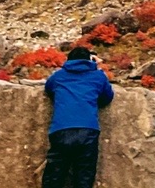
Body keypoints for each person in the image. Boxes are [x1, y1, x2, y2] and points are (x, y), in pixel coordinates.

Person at [42, 46, 115, 188]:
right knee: (84, 175)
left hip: (61, 129)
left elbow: (48, 89)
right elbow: (107, 97)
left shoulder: (58, 76)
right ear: (90, 60)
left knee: (54, 175)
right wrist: (96, 67)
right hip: (88, 130)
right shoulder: (98, 76)